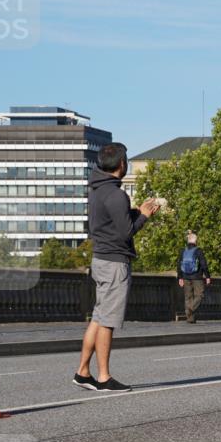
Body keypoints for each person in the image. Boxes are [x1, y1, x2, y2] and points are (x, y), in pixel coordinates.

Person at [73, 142, 159, 392]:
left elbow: (114, 223)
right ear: (122, 164)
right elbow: (126, 232)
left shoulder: (98, 190)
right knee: (107, 321)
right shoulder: (116, 194)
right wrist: (144, 216)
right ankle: (104, 377)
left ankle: (83, 372)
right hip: (114, 263)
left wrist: (135, 211)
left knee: (99, 317)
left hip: (100, 258)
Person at [176, 231, 210, 323]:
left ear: (188, 240)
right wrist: (207, 276)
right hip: (197, 277)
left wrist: (180, 277)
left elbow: (179, 264)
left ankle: (190, 318)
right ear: (196, 241)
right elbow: (203, 264)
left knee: (188, 297)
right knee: (199, 295)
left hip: (185, 276)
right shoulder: (198, 250)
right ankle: (191, 309)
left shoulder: (183, 250)